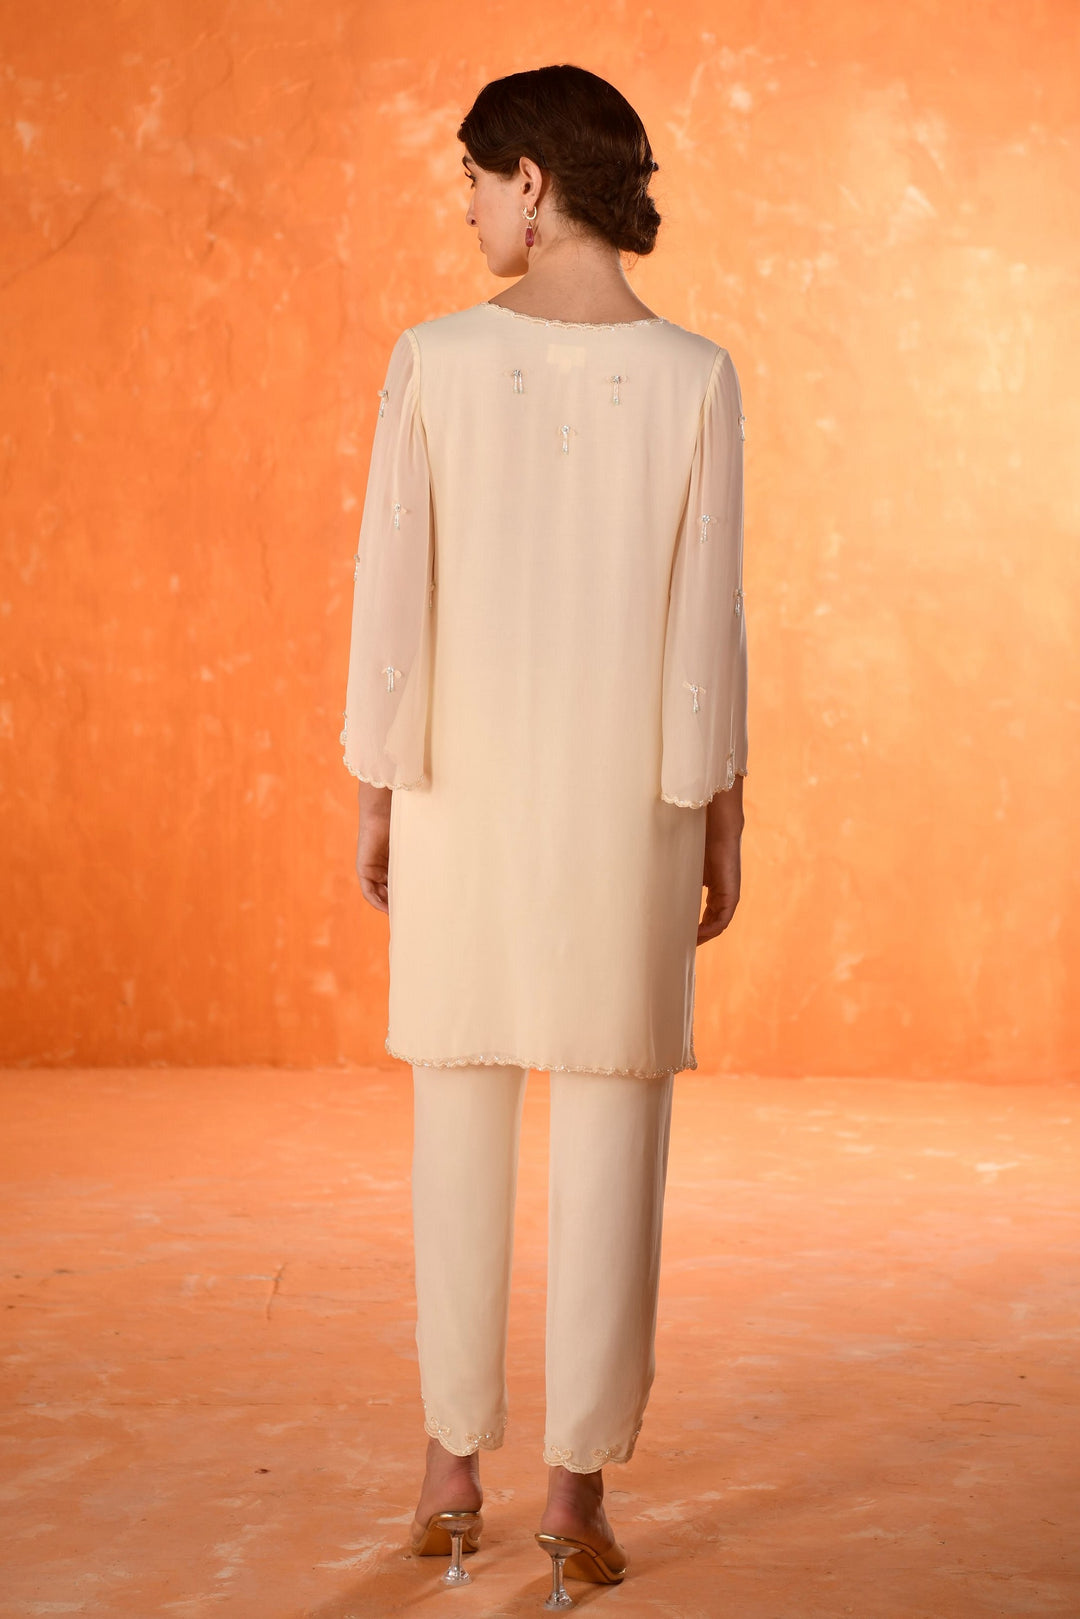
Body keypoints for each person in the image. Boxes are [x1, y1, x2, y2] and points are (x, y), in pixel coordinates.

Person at [340, 63, 747, 1605]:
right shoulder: (698, 376)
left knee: (457, 1114)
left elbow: (395, 593)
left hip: (465, 789)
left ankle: (452, 1470)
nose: (464, 210)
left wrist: (378, 783)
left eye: (470, 179)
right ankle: (576, 1494)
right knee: (616, 1130)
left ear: (529, 180)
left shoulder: (434, 361)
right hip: (628, 800)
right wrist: (717, 808)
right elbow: (709, 621)